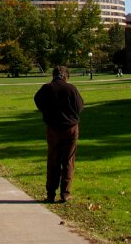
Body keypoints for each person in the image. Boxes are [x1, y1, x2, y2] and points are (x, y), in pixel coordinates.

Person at [33, 66, 85, 203]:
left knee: (53, 160)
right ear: (66, 76)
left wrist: (48, 113)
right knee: (68, 160)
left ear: (53, 75)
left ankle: (50, 194)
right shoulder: (71, 88)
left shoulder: (46, 88)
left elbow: (38, 101)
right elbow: (80, 106)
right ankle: (65, 194)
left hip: (53, 128)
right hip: (70, 128)